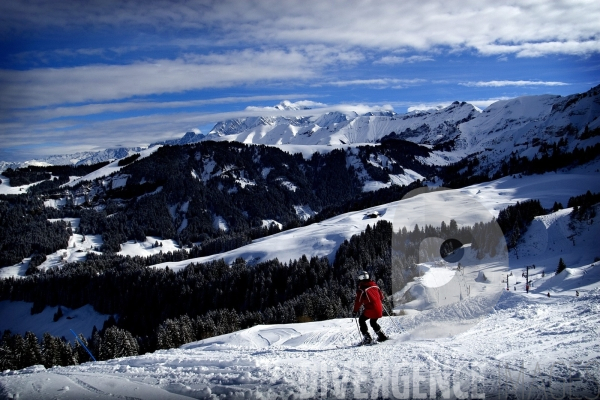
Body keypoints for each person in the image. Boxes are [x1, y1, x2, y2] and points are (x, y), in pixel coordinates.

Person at [353, 271, 388, 344]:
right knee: (373, 322)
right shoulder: (375, 286)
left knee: (361, 320)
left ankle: (367, 338)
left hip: (371, 309)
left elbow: (358, 302)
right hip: (379, 309)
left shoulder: (362, 290)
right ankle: (381, 336)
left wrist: (355, 311)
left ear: (361, 278)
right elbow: (381, 297)